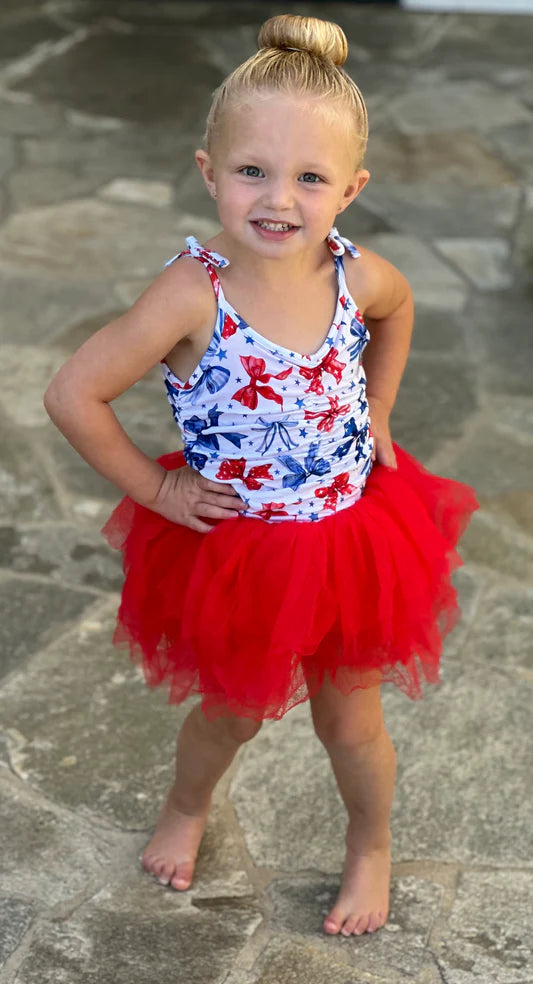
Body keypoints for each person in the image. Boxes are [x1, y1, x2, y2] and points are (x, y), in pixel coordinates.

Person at [44, 13, 478, 938]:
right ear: (209, 173)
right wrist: (154, 489)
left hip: (352, 538)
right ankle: (188, 806)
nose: (278, 199)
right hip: (245, 550)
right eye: (252, 171)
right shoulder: (191, 292)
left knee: (350, 723)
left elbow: (396, 313)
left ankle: (370, 843)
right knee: (229, 712)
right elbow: (75, 393)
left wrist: (380, 411)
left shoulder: (356, 277)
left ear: (350, 189)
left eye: (309, 178)